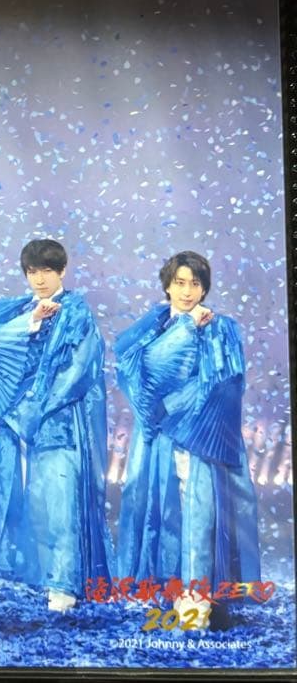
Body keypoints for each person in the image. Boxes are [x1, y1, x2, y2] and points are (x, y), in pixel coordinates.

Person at [114, 251, 260, 622]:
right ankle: (166, 586)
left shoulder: (222, 328)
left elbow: (228, 382)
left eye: (195, 284)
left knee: (199, 512)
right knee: (160, 511)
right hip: (158, 435)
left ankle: (196, 598)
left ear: (205, 288)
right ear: (167, 285)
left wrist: (175, 408)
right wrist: (186, 327)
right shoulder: (153, 326)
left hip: (199, 433)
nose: (187, 291)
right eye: (179, 282)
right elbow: (145, 369)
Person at [0, 238, 111, 612]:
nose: (39, 279)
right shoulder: (24, 310)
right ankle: (44, 577)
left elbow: (79, 370)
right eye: (32, 272)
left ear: (62, 271)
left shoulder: (77, 313)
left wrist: (36, 409)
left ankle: (65, 585)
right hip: (23, 425)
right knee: (35, 504)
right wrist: (32, 321)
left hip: (59, 422)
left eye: (47, 270)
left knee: (61, 503)